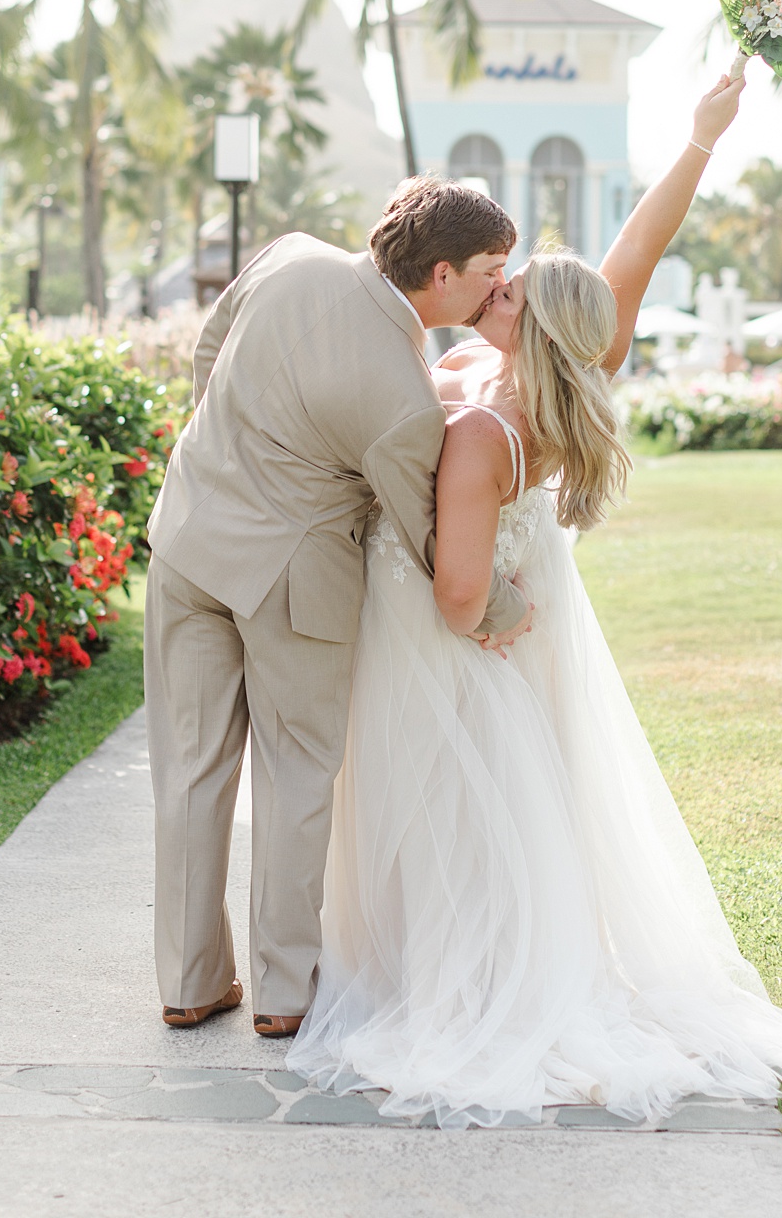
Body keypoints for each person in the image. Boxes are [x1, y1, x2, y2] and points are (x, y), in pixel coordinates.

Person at [287, 72, 782, 1125]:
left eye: (509, 286)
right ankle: (484, 960)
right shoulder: (578, 363)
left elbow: (458, 586)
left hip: (460, 631)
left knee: (456, 809)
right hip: (524, 627)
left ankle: (455, 982)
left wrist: (485, 606)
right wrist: (697, 141)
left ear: (528, 317)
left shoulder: (484, 427)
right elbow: (636, 253)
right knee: (509, 811)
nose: (494, 285)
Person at [143, 180, 532, 1037]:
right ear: (440, 274)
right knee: (297, 774)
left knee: (191, 765)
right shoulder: (404, 400)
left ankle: (188, 981)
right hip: (294, 580)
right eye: (490, 272)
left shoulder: (287, 256)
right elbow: (430, 535)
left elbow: (208, 359)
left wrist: (231, 456)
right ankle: (284, 994)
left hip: (186, 538)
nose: (499, 288)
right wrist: (505, 606)